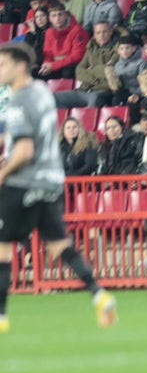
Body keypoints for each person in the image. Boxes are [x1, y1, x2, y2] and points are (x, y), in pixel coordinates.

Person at [0, 42, 118, 332]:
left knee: (2, 246)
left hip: (24, 181)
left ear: (19, 66)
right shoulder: (42, 93)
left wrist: (3, 172)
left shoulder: (18, 100)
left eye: (3, 64)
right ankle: (99, 294)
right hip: (52, 181)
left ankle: (1, 315)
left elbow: (25, 150)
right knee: (59, 244)